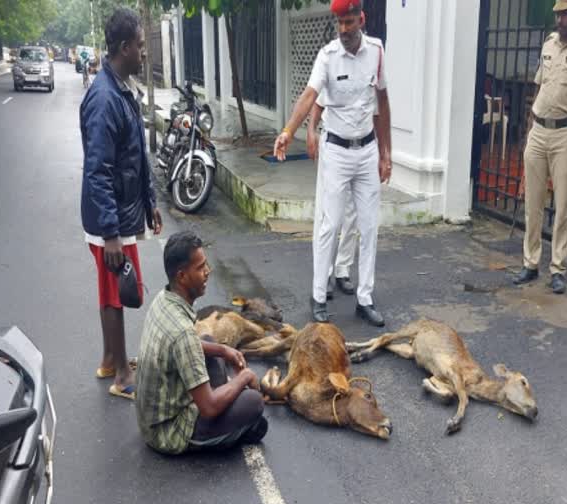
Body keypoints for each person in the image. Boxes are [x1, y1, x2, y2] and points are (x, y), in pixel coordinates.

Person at [274, 0, 392, 327]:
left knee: (368, 227)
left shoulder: (377, 52)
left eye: (349, 22)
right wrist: (288, 131)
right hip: (336, 152)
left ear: (361, 19)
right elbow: (310, 96)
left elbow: (383, 101)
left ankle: (365, 298)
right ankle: (317, 295)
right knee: (330, 223)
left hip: (367, 151)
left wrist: (386, 153)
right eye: (339, 23)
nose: (344, 30)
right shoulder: (327, 56)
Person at [80, 7, 163, 399]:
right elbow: (98, 171)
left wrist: (150, 202)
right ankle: (122, 378)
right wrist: (111, 232)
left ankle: (110, 359)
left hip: (119, 213)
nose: (144, 53)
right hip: (108, 222)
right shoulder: (104, 98)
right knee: (118, 292)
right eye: (142, 46)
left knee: (111, 289)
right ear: (126, 47)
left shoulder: (121, 87)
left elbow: (136, 157)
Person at [136, 231, 267, 454]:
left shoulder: (164, 298)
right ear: (182, 276)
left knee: (207, 341)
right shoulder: (183, 334)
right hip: (167, 432)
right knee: (254, 403)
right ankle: (226, 433)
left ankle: (221, 395)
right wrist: (244, 377)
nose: (208, 272)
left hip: (151, 418)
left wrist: (224, 350)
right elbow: (208, 408)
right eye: (200, 268)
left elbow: (187, 346)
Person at [513, 0, 567, 294]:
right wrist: (528, 132)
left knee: (562, 205)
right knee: (533, 204)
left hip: (565, 135)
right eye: (557, 14)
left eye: (565, 14)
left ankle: (558, 268)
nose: (560, 19)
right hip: (539, 131)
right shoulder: (548, 44)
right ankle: (530, 263)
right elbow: (539, 87)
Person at [307, 96, 359, 299]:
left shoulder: (369, 67)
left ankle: (342, 269)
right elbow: (317, 102)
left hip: (360, 146)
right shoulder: (330, 64)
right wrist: (311, 131)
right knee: (326, 214)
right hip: (333, 144)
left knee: (352, 212)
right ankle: (324, 273)